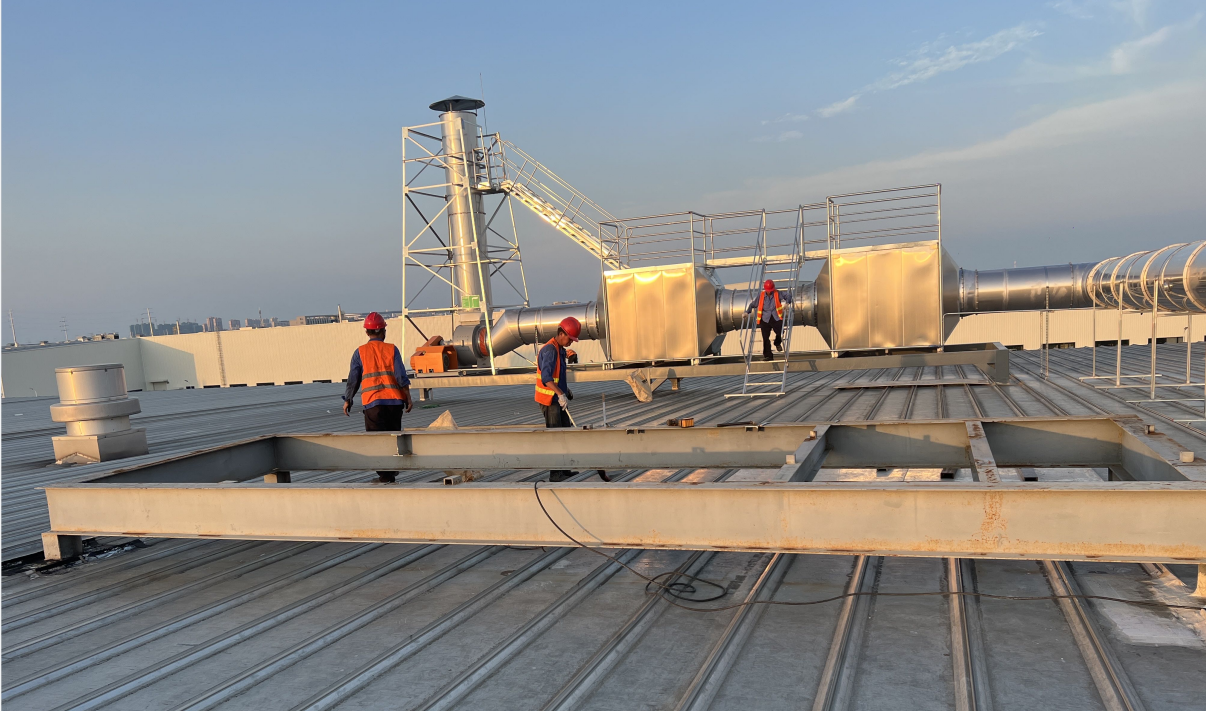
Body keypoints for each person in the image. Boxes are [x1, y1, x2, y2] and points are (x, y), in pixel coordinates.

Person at [536, 316, 609, 482]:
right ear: (561, 333)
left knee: (566, 433)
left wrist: (565, 391)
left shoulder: (560, 350)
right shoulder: (550, 350)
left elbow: (558, 376)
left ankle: (565, 469)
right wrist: (559, 394)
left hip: (558, 398)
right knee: (556, 436)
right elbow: (546, 378)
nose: (571, 342)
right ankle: (556, 474)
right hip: (550, 401)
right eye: (570, 339)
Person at [342, 312, 413, 482]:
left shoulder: (360, 352)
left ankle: (385, 475)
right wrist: (408, 398)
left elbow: (353, 379)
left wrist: (348, 400)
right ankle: (390, 472)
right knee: (393, 439)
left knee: (376, 441)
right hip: (394, 403)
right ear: (383, 331)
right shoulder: (392, 349)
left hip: (372, 405)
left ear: (367, 332)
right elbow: (401, 377)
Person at [746, 279, 785, 361]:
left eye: (771, 290)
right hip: (765, 319)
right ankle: (768, 356)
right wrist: (747, 312)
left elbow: (788, 296)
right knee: (765, 338)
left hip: (775, 317)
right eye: (768, 290)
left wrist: (787, 303)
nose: (769, 292)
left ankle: (777, 343)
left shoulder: (777, 293)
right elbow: (753, 304)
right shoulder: (761, 295)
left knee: (780, 332)